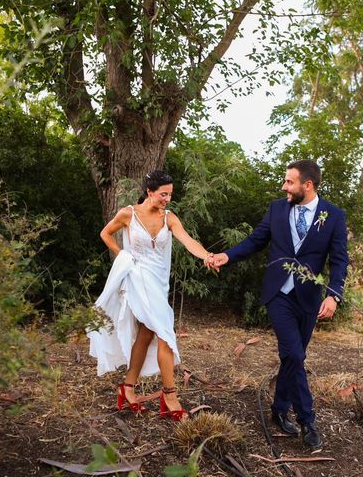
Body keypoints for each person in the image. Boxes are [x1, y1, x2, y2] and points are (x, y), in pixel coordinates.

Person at [212, 159, 349, 449]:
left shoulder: (333, 216)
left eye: (289, 182)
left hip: (309, 298)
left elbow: (339, 260)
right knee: (296, 356)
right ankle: (307, 422)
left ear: (307, 185)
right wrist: (228, 255)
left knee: (292, 357)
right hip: (278, 294)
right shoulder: (277, 209)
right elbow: (255, 240)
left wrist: (334, 295)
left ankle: (278, 409)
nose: (284, 186)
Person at [88, 170, 215, 421]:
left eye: (170, 194)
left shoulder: (169, 218)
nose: (167, 199)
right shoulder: (128, 214)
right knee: (165, 333)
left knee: (146, 334)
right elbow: (105, 233)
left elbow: (188, 240)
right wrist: (123, 256)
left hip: (158, 281)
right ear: (149, 192)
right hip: (137, 278)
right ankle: (169, 395)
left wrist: (207, 256)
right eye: (163, 194)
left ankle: (127, 388)